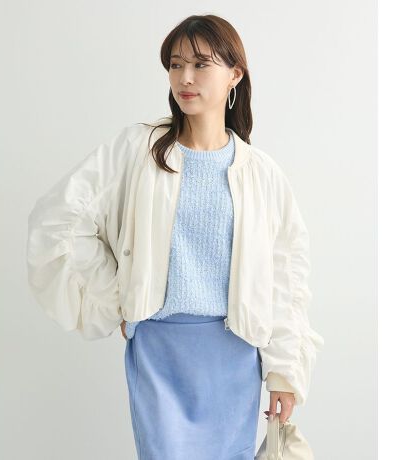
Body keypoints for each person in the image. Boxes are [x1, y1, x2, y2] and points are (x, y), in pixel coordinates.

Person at [27, 14, 324, 460]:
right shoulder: (139, 149)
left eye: (201, 65)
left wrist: (284, 373)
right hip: (159, 350)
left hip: (235, 356)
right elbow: (60, 219)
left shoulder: (260, 173)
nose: (185, 77)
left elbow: (285, 276)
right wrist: (115, 297)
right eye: (176, 64)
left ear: (234, 75)